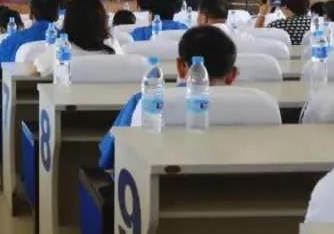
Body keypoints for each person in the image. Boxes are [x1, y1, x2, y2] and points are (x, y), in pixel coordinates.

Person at [98, 25, 239, 168]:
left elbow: (108, 158)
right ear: (232, 75)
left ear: (180, 66)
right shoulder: (247, 108)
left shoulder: (145, 101)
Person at [0, 0, 59, 89]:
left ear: (31, 15)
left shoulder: (17, 39)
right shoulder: (66, 40)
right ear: (56, 16)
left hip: (19, 91)